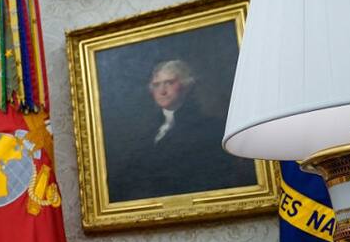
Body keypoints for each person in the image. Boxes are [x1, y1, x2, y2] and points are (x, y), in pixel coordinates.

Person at [104, 59, 255, 203]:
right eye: (156, 85)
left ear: (186, 85)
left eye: (169, 83)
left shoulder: (210, 128)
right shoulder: (146, 131)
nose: (162, 91)